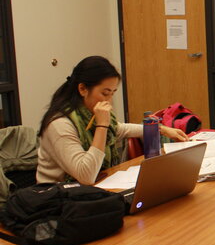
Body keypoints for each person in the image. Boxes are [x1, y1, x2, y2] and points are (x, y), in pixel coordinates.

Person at [37, 56, 189, 185]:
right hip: (58, 200)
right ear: (82, 89)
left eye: (112, 93)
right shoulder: (59, 124)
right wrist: (102, 126)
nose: (109, 101)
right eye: (105, 93)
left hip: (93, 190)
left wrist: (161, 129)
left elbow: (119, 129)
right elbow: (86, 175)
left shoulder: (88, 114)